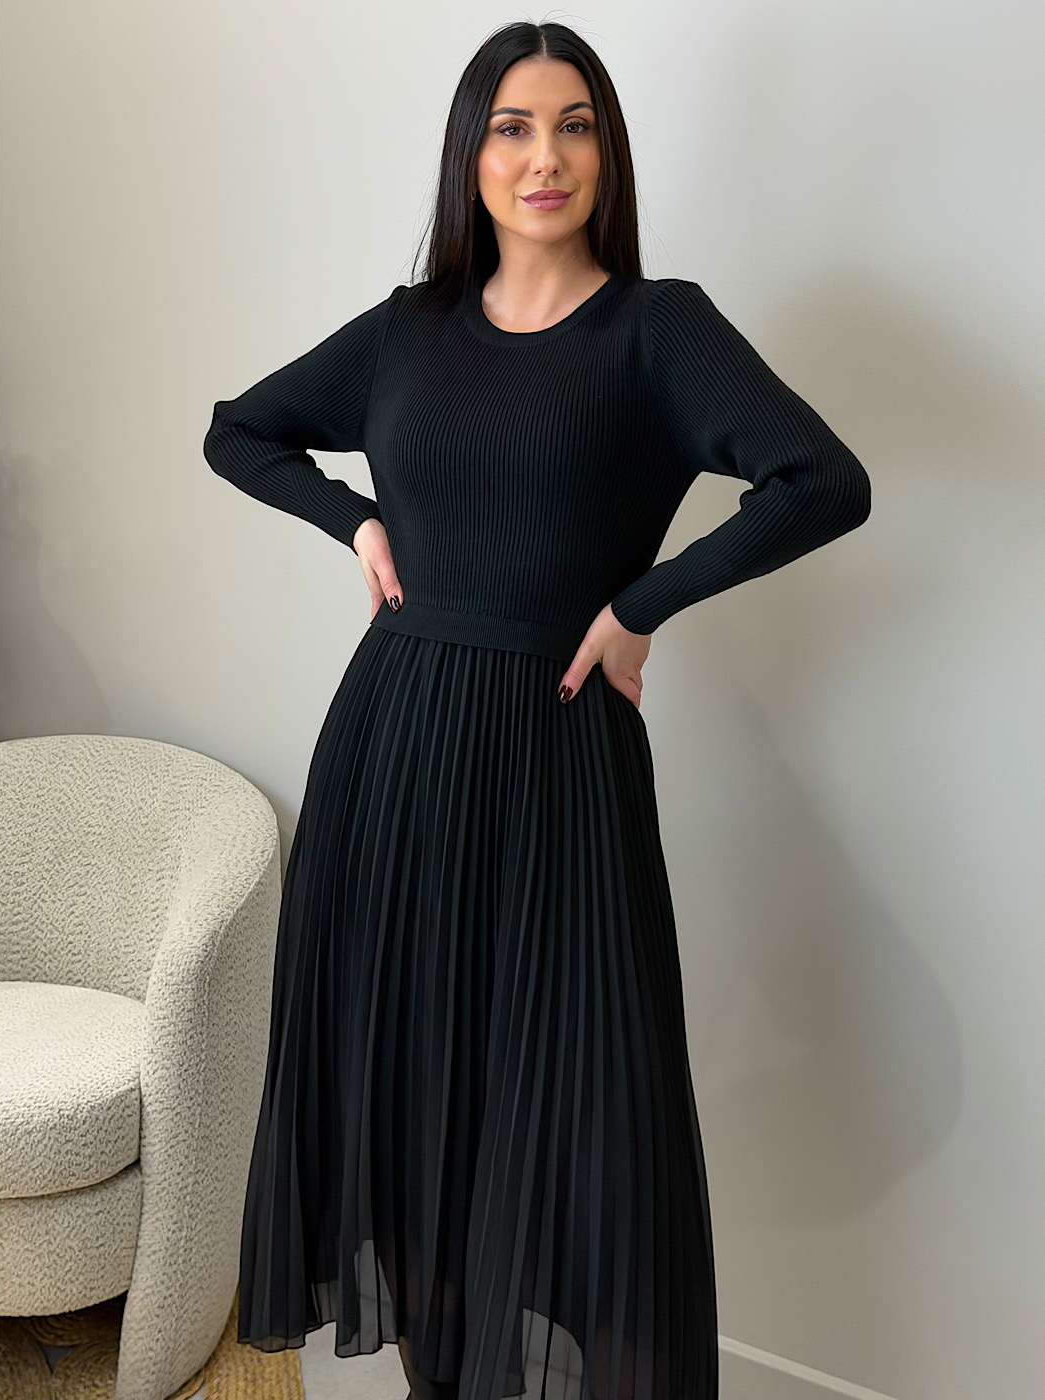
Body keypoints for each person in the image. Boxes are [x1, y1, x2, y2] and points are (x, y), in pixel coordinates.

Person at [202, 20, 871, 1400]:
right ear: (471, 154)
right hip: (392, 751)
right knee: (412, 1096)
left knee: (566, 1112)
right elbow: (238, 429)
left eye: (575, 126)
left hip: (557, 762)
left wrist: (641, 605)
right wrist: (353, 519)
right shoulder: (408, 330)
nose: (544, 156)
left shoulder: (658, 330)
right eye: (511, 127)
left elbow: (823, 480)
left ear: (606, 154)